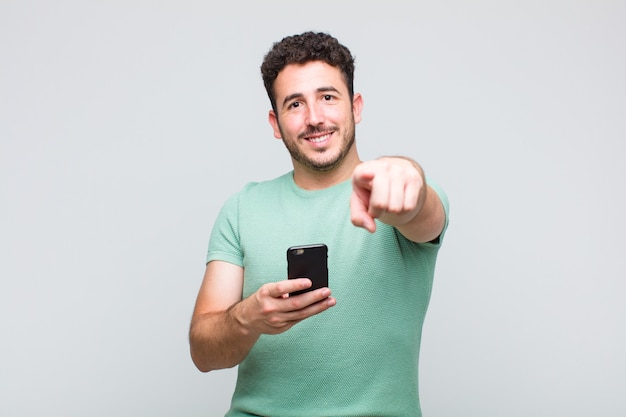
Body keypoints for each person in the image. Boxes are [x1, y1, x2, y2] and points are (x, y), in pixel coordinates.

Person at [189, 31, 449, 417]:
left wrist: (406, 176)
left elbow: (419, 211)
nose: (314, 118)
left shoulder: (396, 193)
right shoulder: (242, 208)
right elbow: (203, 352)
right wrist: (248, 318)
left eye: (328, 97)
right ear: (276, 123)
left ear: (355, 107)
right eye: (295, 104)